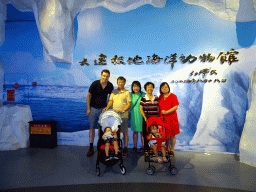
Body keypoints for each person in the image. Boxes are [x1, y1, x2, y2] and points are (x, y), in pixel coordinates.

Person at [86, 69, 114, 156]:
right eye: (104, 75)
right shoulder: (95, 83)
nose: (105, 77)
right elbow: (88, 95)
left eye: (107, 76)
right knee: (92, 128)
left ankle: (100, 146)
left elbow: (111, 98)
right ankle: (91, 148)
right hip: (93, 109)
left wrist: (108, 107)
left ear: (109, 77)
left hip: (103, 110)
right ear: (101, 75)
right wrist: (88, 108)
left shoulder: (110, 85)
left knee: (101, 129)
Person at [103, 76, 131, 156]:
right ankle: (116, 147)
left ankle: (125, 148)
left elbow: (129, 104)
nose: (121, 84)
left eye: (122, 82)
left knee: (125, 132)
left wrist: (122, 110)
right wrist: (107, 107)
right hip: (114, 116)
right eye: (119, 82)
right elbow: (110, 101)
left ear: (124, 83)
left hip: (124, 115)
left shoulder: (127, 92)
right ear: (117, 83)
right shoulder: (113, 91)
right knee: (115, 132)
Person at [159, 82, 180, 157]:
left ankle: (172, 149)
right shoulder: (160, 97)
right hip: (163, 119)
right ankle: (167, 148)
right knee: (166, 135)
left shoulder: (173, 96)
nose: (164, 88)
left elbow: (176, 107)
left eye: (165, 87)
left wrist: (167, 112)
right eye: (162, 87)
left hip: (171, 118)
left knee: (172, 135)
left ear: (168, 87)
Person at [140, 82, 159, 153]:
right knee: (146, 135)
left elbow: (158, 108)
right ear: (145, 89)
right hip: (147, 119)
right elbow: (141, 109)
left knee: (155, 134)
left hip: (155, 120)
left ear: (153, 88)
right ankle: (146, 150)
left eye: (151, 87)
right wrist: (145, 118)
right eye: (148, 87)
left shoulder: (156, 97)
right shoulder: (143, 98)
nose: (150, 88)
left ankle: (156, 149)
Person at [130, 81, 146, 153]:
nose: (136, 88)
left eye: (137, 86)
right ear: (132, 87)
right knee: (135, 132)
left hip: (142, 116)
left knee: (142, 132)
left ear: (140, 87)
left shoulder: (144, 95)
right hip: (133, 116)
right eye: (134, 86)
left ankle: (143, 146)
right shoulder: (130, 95)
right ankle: (135, 146)